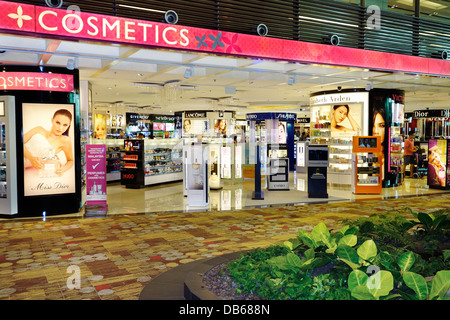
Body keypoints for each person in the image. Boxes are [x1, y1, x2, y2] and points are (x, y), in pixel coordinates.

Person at [23, 109, 74, 177]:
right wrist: (31, 158)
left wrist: (63, 169)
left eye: (65, 125)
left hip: (29, 172)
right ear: (52, 120)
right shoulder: (39, 129)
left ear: (69, 125)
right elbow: (17, 143)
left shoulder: (65, 140)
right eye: (58, 122)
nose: (60, 128)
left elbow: (70, 161)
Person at [372, 104, 385, 181]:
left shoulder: (388, 156)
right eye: (372, 126)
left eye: (381, 126)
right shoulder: (365, 153)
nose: (376, 131)